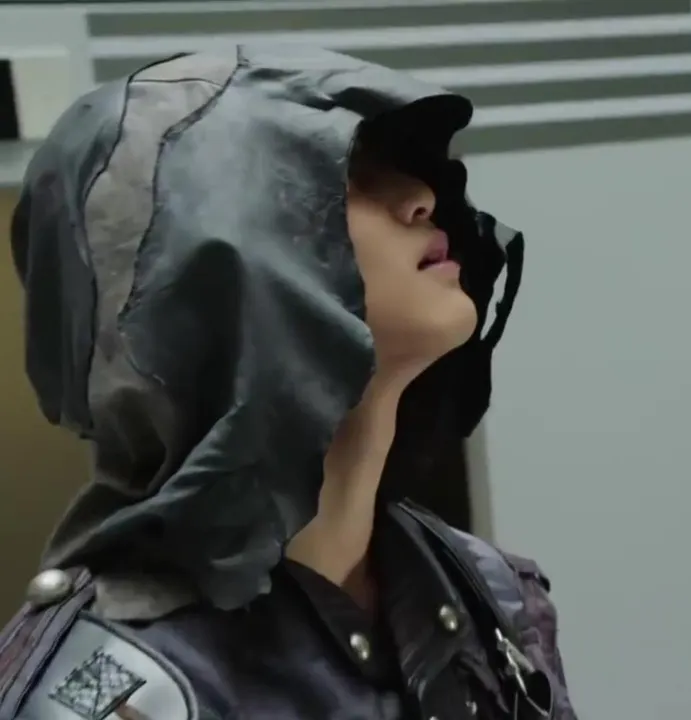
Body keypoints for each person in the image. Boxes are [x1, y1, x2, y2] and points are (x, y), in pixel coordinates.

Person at [0, 46, 574, 719]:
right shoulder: (122, 697)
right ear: (211, 266)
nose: (422, 198)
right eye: (342, 175)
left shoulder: (490, 593)